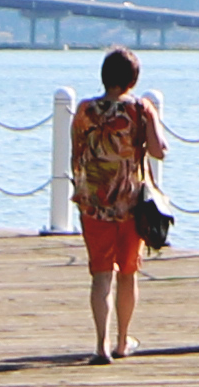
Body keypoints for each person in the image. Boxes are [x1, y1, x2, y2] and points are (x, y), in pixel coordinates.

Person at [68, 47, 174, 362]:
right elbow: (158, 151)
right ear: (133, 78)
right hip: (130, 202)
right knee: (127, 273)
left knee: (101, 274)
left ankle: (100, 345)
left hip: (94, 201)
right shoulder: (141, 109)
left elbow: (76, 152)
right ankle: (122, 341)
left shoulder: (86, 109)